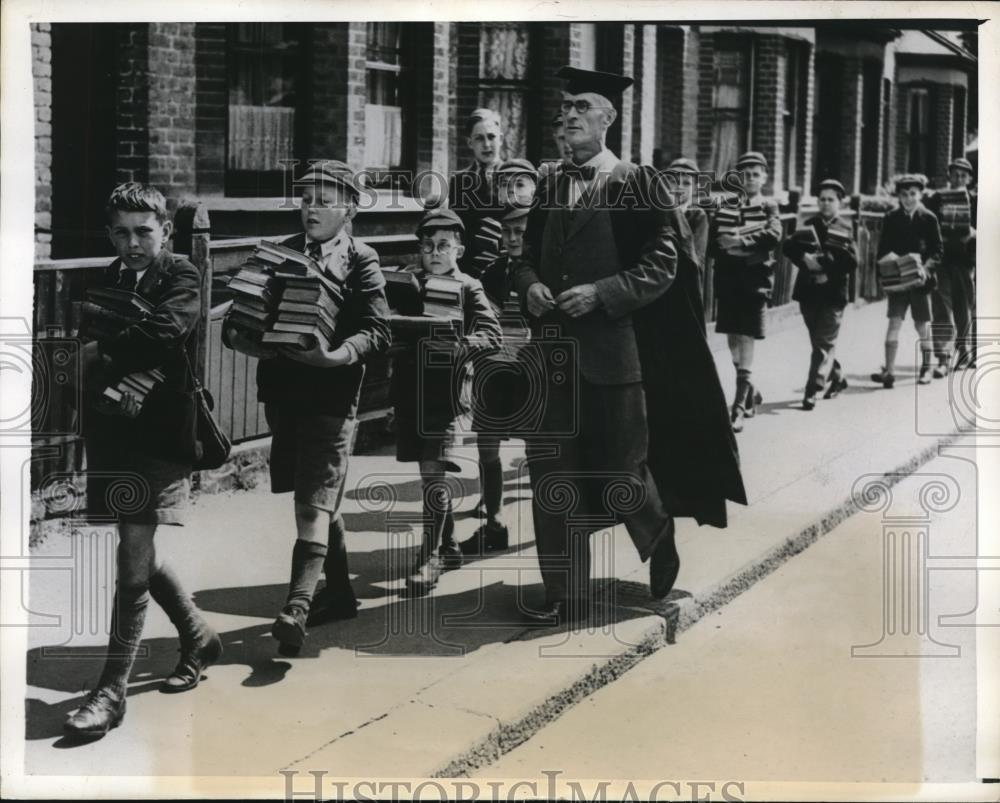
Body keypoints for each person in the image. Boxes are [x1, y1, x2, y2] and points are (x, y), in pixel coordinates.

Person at [515, 66, 746, 625]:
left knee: (623, 470)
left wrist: (600, 292)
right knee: (551, 470)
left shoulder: (636, 182)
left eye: (582, 107)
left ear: (608, 118)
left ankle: (658, 535)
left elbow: (665, 264)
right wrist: (531, 287)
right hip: (551, 355)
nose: (568, 116)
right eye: (563, 107)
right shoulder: (547, 184)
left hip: (616, 356)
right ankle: (564, 592)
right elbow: (521, 258)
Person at [65, 183, 221, 739]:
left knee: (133, 551)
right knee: (137, 546)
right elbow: (89, 336)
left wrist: (103, 349)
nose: (133, 243)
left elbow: (165, 332)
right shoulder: (107, 279)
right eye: (122, 233)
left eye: (144, 232)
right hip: (114, 429)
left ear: (166, 232)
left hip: (160, 434)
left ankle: (111, 692)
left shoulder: (182, 274)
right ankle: (199, 636)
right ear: (111, 234)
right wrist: (100, 348)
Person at [225, 160, 391, 654]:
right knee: (318, 491)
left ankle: (296, 607)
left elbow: (378, 330)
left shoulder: (362, 259)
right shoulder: (279, 253)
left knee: (309, 504)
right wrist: (252, 342)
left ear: (350, 208)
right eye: (305, 198)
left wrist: (333, 357)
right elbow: (238, 322)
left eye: (324, 199)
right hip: (283, 392)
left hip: (333, 394)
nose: (311, 208)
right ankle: (338, 595)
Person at [389, 207, 502, 594]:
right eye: (427, 246)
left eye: (443, 246)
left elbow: (492, 335)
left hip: (449, 393)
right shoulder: (408, 283)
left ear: (459, 249)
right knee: (427, 473)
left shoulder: (469, 286)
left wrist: (460, 344)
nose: (434, 253)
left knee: (432, 471)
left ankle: (430, 557)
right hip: (410, 391)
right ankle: (450, 546)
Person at [461, 203, 535, 555]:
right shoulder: (492, 271)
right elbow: (479, 318)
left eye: (521, 232)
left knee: (539, 452)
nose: (513, 238)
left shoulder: (546, 270)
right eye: (506, 232)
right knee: (487, 448)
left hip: (534, 371)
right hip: (494, 370)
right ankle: (495, 522)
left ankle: (545, 535)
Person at [709, 151, 783, 432]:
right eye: (745, 174)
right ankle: (749, 392)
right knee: (732, 340)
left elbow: (773, 235)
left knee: (747, 338)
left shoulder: (769, 207)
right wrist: (728, 244)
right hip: (728, 281)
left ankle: (738, 407)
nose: (750, 179)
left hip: (755, 282)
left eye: (755, 174)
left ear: (763, 177)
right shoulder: (726, 205)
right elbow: (713, 245)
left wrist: (740, 241)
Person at [783, 179, 858, 410]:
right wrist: (803, 258)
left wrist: (828, 269)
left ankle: (812, 389)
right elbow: (789, 246)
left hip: (833, 293)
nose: (826, 204)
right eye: (822, 199)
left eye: (831, 199)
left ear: (839, 202)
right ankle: (837, 377)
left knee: (824, 342)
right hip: (809, 292)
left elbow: (852, 261)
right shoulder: (810, 223)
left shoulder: (845, 227)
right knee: (820, 342)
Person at [871, 174, 943, 388]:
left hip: (920, 281)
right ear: (898, 196)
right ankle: (889, 371)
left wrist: (925, 269)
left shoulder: (929, 217)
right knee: (894, 322)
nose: (909, 199)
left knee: (922, 324)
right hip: (898, 281)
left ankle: (927, 367)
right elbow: (883, 249)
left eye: (913, 194)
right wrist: (888, 264)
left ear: (920, 194)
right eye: (904, 195)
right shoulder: (891, 218)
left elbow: (937, 250)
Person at [926, 157, 978, 373]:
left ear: (970, 179)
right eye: (955, 174)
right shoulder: (937, 198)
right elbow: (928, 225)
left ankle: (964, 351)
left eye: (963, 175)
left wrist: (974, 233)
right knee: (941, 307)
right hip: (942, 259)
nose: (958, 178)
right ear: (949, 175)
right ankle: (943, 357)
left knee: (963, 306)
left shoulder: (975, 201)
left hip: (965, 260)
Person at [448, 108, 507, 277]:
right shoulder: (459, 181)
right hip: (470, 269)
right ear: (470, 143)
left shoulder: (516, 177)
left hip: (504, 269)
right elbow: (458, 232)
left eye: (491, 137)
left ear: (501, 139)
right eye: (479, 138)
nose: (487, 145)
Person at [665, 157, 710, 276]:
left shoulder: (697, 216)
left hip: (684, 280)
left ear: (695, 188)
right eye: (674, 181)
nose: (680, 187)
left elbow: (696, 258)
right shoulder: (661, 212)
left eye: (686, 183)